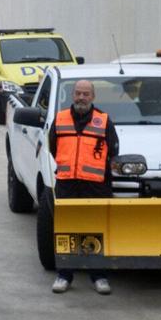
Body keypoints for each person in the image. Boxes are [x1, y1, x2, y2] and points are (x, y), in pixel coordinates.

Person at [48, 78, 116, 297]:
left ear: (93, 97)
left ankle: (99, 275)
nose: (81, 97)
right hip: (67, 183)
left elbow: (113, 150)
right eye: (78, 93)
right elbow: (53, 146)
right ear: (72, 95)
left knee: (95, 228)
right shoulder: (60, 119)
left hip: (95, 186)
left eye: (86, 94)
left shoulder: (103, 121)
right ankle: (64, 274)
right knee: (66, 228)